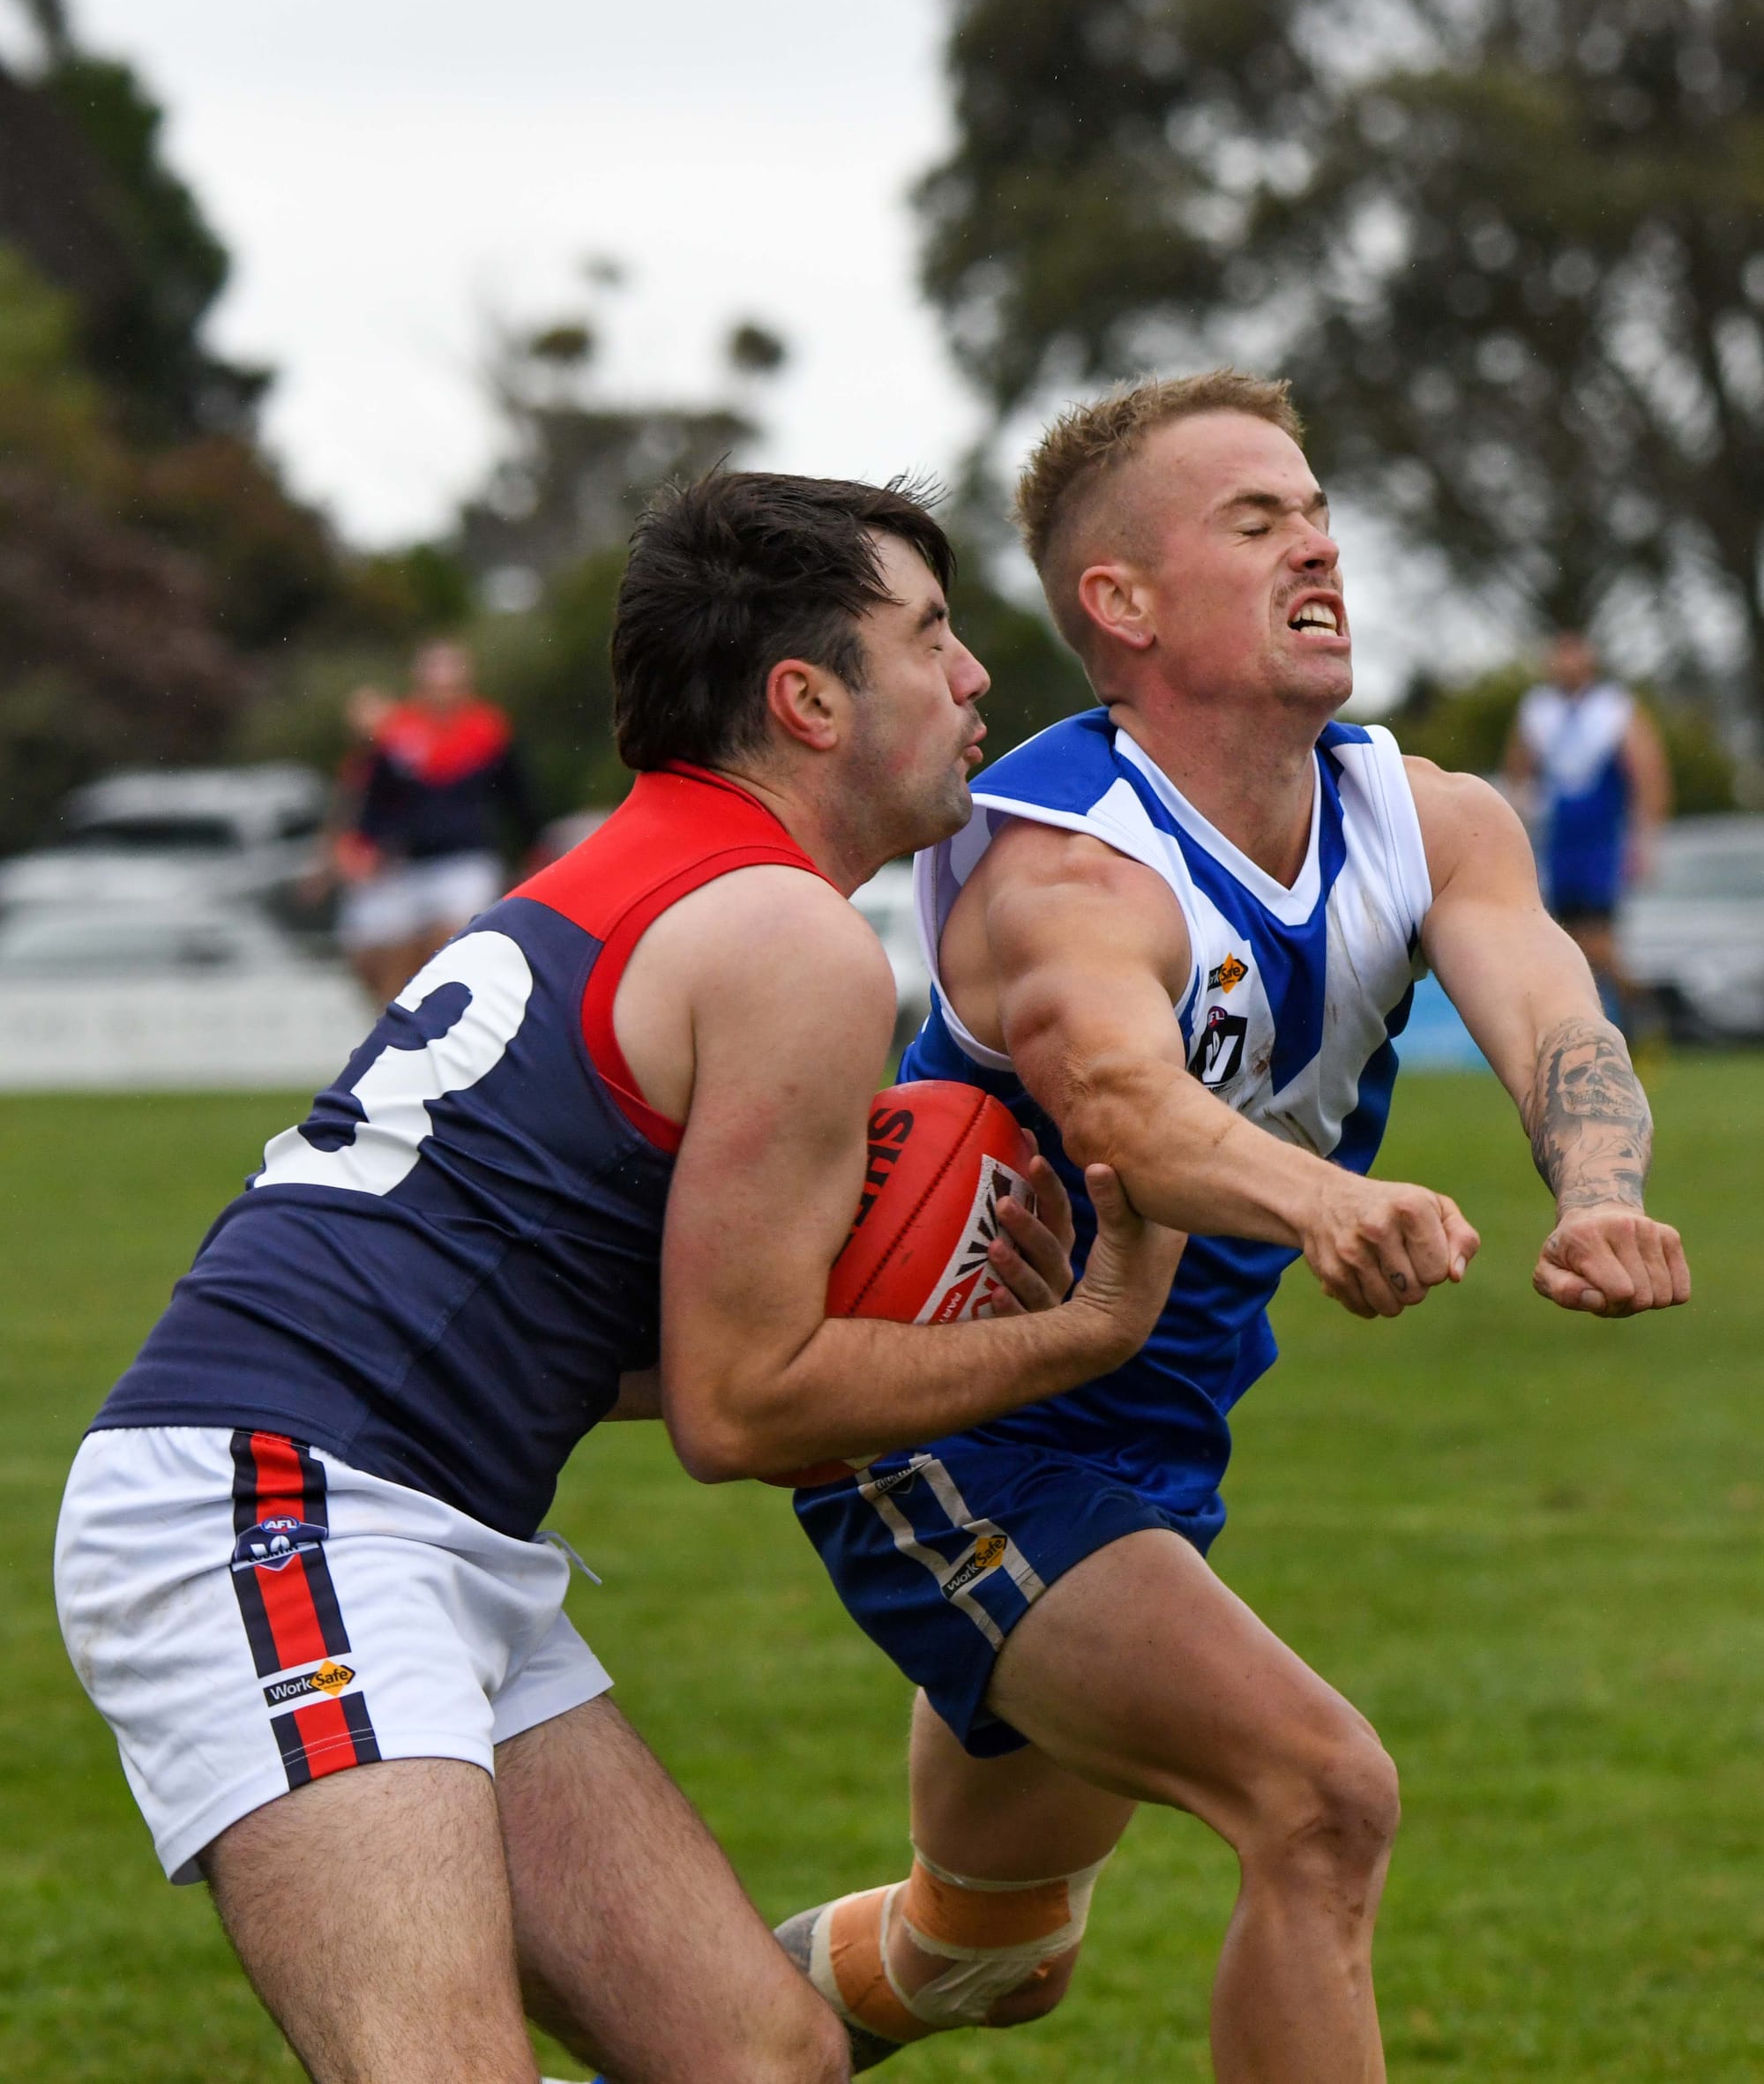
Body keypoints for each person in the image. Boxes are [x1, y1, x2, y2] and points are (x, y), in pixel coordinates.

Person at [55, 472, 1174, 2084]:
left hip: (410, 1509)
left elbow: (649, 1344)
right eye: (929, 634)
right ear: (807, 700)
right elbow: (742, 1406)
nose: (977, 671)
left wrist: (915, 1330)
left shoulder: (663, 876)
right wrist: (1089, 1330)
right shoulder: (787, 939)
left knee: (760, 2057)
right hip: (282, 1506)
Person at [778, 377, 1690, 2083]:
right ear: (1120, 605)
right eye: (1255, 522)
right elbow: (1130, 1116)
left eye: (1318, 510)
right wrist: (1331, 1198)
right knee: (1323, 1798)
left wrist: (1603, 1195)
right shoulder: (1065, 866)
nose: (1318, 545)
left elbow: (1561, 1023)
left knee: (986, 1954)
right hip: (960, 1430)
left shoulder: (1431, 817)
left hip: (1155, 1439)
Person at [337, 639, 542, 1005]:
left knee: (449, 944)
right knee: (377, 954)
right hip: (405, 866)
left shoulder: (488, 730)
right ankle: (393, 1038)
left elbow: (517, 797)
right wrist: (363, 845)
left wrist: (533, 849)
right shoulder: (398, 732)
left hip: (466, 859)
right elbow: (377, 801)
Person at [1505, 631, 1671, 1028]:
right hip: (1559, 841)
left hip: (1601, 840)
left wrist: (1645, 839)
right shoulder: (1539, 710)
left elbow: (1648, 774)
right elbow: (1518, 772)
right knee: (1565, 938)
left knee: (1598, 938)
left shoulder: (1614, 709)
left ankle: (1644, 1005)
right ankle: (1592, 1021)